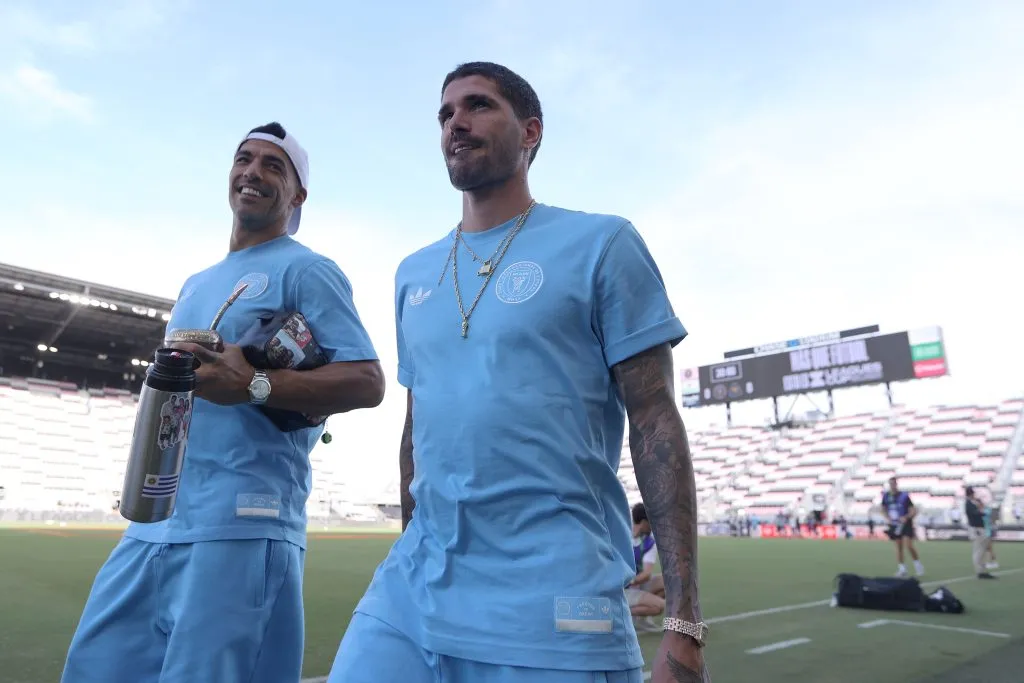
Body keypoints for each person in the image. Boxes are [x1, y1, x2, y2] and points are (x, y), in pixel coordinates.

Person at [327, 62, 709, 683]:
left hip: (551, 600)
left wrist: (684, 623)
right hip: (414, 590)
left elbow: (656, 421)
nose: (457, 122)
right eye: (446, 113)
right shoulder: (412, 273)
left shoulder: (602, 244)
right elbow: (415, 426)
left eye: (478, 106)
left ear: (531, 131)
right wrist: (409, 541)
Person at [60, 122, 385, 683]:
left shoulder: (307, 269)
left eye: (273, 165)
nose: (253, 172)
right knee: (93, 668)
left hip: (240, 523)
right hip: (155, 521)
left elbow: (367, 381)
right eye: (244, 159)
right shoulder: (194, 283)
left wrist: (257, 385)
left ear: (297, 195)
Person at [627, 502, 666, 633]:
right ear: (644, 522)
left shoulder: (649, 542)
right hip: (618, 588)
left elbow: (646, 574)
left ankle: (641, 619)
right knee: (659, 606)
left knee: (670, 581)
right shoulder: (621, 535)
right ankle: (618, 615)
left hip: (632, 583)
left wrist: (631, 582)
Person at [880, 477, 924, 577]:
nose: (892, 486)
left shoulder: (904, 496)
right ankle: (902, 569)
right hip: (894, 524)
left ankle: (918, 565)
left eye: (894, 484)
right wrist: (887, 518)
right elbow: (882, 509)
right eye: (891, 484)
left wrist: (906, 517)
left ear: (896, 484)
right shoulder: (886, 496)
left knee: (909, 545)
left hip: (906, 524)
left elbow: (913, 510)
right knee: (898, 547)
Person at [964, 486, 997, 577]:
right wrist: (983, 512)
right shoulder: (968, 504)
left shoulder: (972, 502)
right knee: (978, 549)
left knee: (982, 549)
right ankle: (979, 570)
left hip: (980, 528)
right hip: (976, 528)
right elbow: (974, 514)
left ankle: (982, 568)